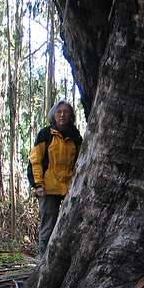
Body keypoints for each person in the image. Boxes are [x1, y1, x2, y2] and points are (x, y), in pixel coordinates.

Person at [29, 101, 82, 254]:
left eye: (66, 112)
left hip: (69, 189)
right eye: (59, 112)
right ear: (54, 114)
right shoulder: (45, 134)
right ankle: (43, 262)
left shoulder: (75, 137)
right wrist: (38, 185)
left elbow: (80, 162)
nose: (62, 115)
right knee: (48, 227)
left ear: (71, 115)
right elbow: (35, 161)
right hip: (48, 188)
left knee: (69, 226)